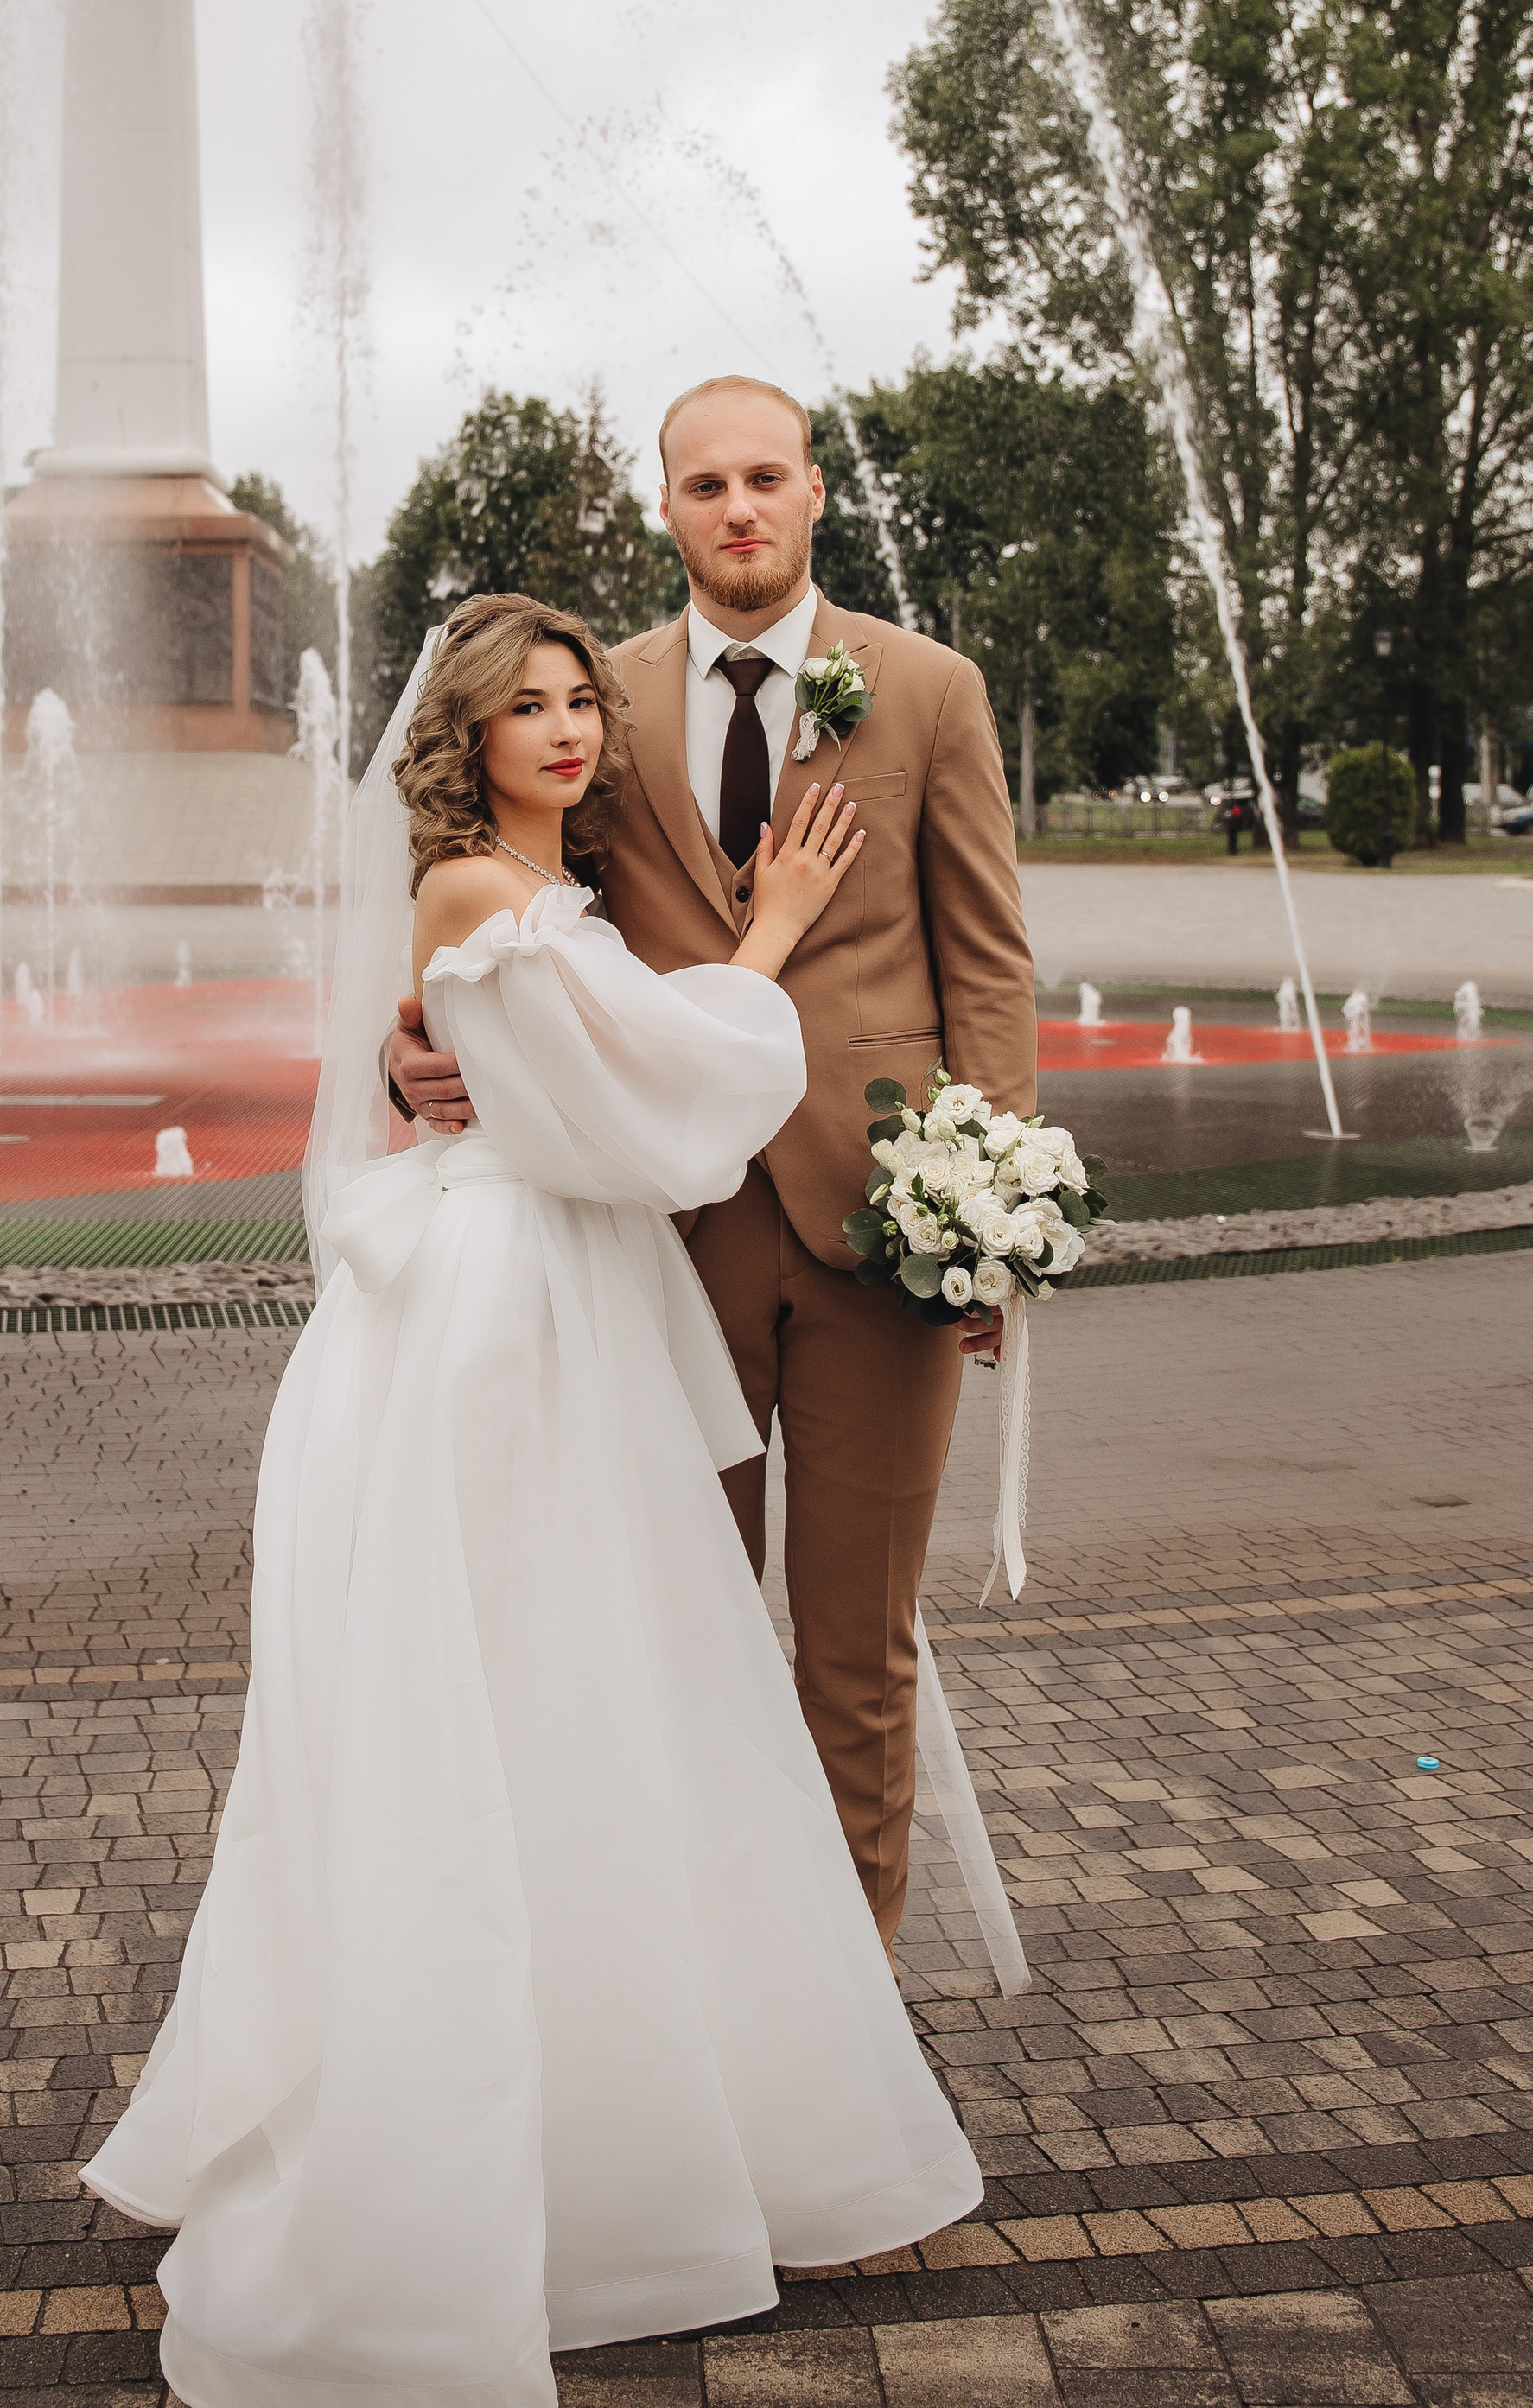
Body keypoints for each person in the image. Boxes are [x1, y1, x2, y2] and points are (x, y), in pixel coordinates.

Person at [83, 593, 987, 2402]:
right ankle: (472, 2170)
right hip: (503, 1325)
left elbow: (571, 1078)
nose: (568, 729)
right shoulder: (477, 899)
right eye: (528, 708)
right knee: (504, 1707)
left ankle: (616, 2119)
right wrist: (784, 925)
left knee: (587, 1702)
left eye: (583, 699)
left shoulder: (529, 900)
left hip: (540, 1296)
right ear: (466, 736)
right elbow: (655, 1113)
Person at [392, 377, 1037, 1942]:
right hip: (661, 1248)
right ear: (666, 509)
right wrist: (415, 1053)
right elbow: (504, 922)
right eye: (704, 485)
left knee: (856, 1653)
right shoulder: (587, 703)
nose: (738, 508)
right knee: (667, 1636)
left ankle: (853, 2013)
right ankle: (703, 1995)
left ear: (815, 493)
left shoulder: (929, 689)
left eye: (766, 478)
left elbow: (990, 971)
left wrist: (999, 1221)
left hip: (890, 1233)